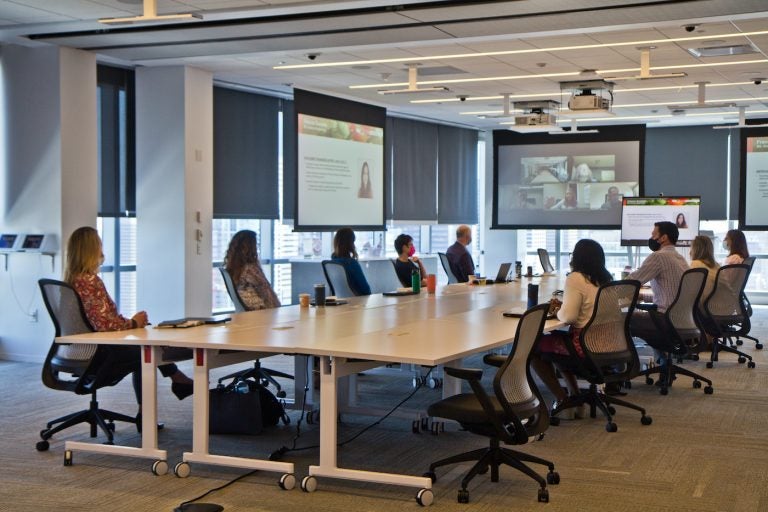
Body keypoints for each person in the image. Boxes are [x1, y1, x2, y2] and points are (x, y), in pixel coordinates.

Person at [65, 227, 193, 402]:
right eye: (99, 244)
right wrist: (133, 323)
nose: (101, 248)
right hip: (96, 351)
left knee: (144, 349)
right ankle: (169, 389)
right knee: (146, 352)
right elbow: (104, 324)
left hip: (77, 349)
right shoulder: (89, 281)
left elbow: (97, 319)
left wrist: (132, 322)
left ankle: (174, 383)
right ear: (91, 249)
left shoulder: (71, 280)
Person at [530, 239, 614, 417]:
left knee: (534, 346)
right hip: (608, 344)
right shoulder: (606, 279)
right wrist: (566, 305)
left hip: (584, 347)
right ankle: (574, 394)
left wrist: (558, 310)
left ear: (577, 258)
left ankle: (563, 399)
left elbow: (569, 317)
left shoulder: (576, 278)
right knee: (557, 340)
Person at [626, 221, 689, 371]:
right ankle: (662, 360)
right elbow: (669, 292)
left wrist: (607, 286)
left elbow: (633, 281)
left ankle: (626, 367)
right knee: (641, 313)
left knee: (622, 318)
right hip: (683, 319)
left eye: (654, 235)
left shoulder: (658, 257)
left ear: (663, 238)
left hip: (665, 320)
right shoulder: (681, 259)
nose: (651, 238)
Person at [224, 230, 281, 310]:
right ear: (249, 247)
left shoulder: (236, 269)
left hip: (251, 314)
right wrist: (279, 309)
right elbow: (268, 294)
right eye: (255, 245)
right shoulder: (250, 270)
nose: (257, 248)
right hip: (262, 314)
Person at [331, 227, 371, 295]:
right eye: (353, 242)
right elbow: (366, 289)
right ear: (349, 244)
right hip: (357, 302)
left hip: (340, 301)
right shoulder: (351, 264)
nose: (354, 246)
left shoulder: (333, 263)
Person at [689, 235, 719, 302]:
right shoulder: (716, 265)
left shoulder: (696, 264)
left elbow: (690, 290)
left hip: (708, 306)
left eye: (691, 248)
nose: (690, 252)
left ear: (695, 250)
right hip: (723, 305)